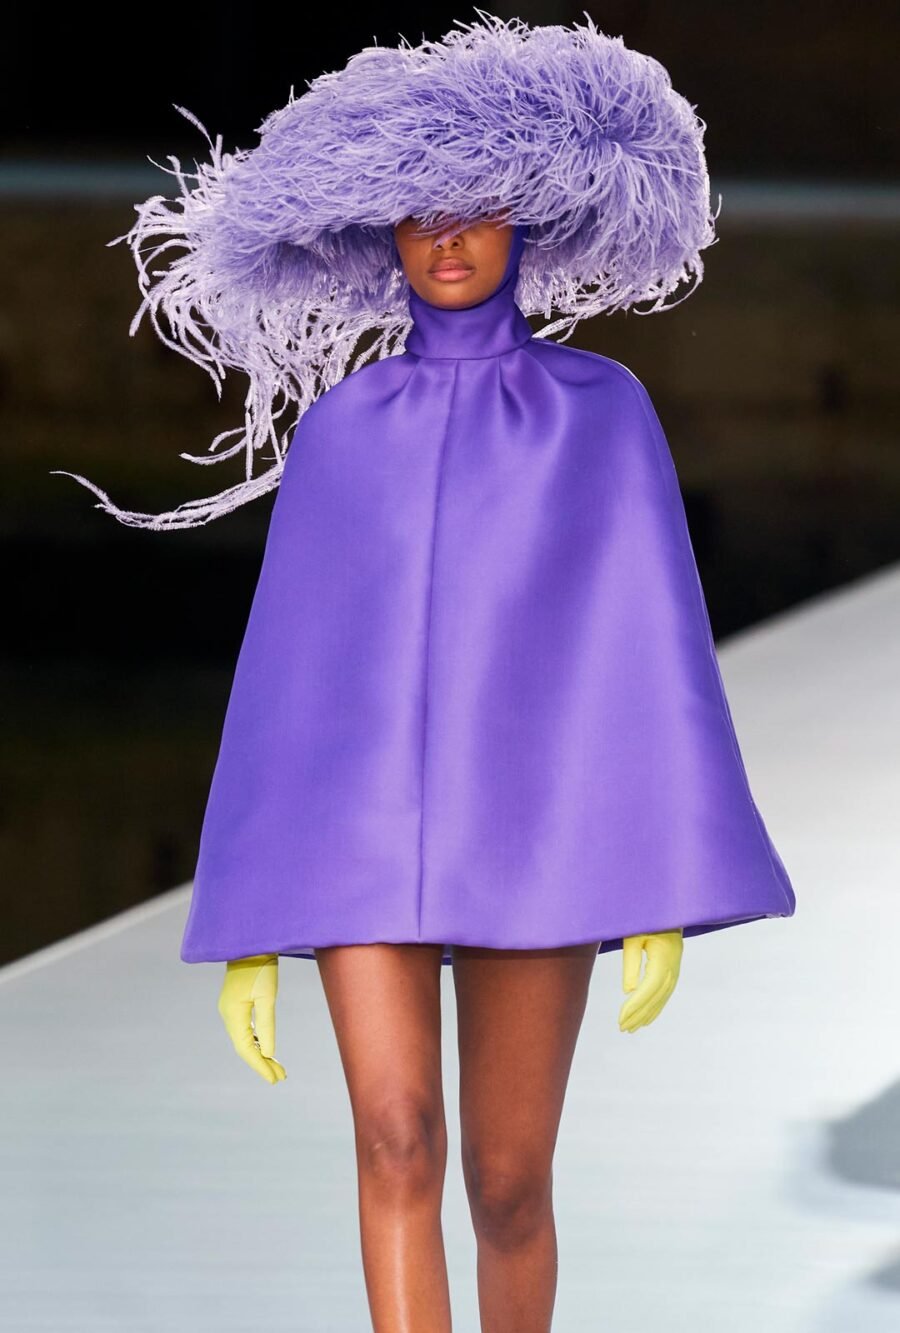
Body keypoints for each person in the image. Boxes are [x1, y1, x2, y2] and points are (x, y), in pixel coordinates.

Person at [55, 15, 796, 1330]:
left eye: (474, 209)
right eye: (416, 214)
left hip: (537, 829)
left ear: (529, 219)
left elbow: (649, 650)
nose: (446, 241)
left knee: (509, 1183)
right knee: (395, 1140)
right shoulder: (344, 431)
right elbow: (288, 679)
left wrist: (658, 873)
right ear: (379, 233)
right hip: (358, 833)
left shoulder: (601, 413)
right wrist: (248, 917)